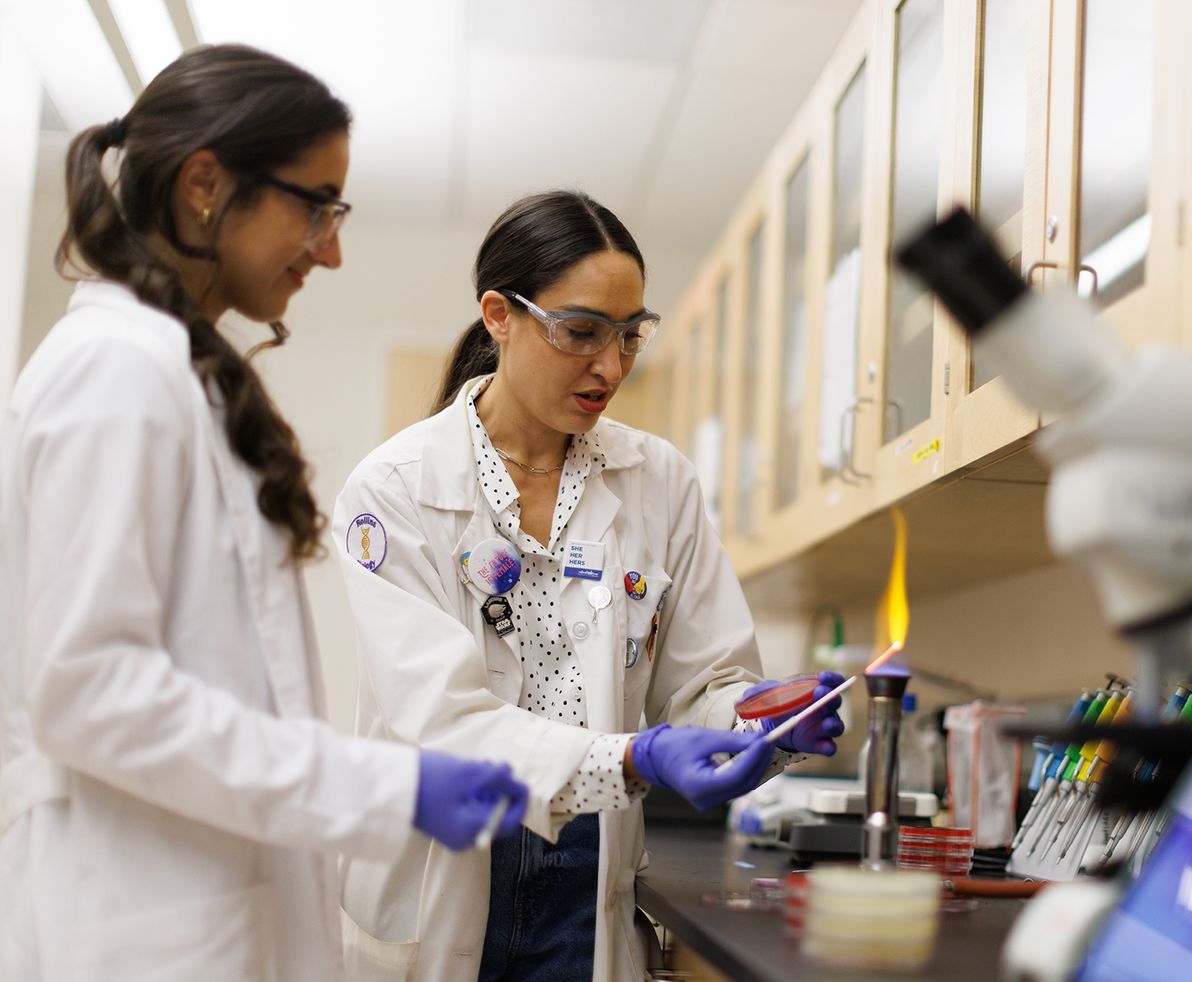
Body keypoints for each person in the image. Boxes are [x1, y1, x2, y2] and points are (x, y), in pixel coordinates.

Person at [0, 45, 529, 982]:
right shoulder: (114, 373)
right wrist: (380, 785)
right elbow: (90, 691)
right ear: (206, 184)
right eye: (316, 206)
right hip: (137, 927)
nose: (331, 248)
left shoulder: (170, 369)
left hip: (198, 912)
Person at [332, 190, 846, 982]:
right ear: (499, 315)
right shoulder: (395, 488)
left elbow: (706, 681)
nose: (611, 366)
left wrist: (762, 722)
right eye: (581, 332)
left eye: (631, 336)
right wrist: (638, 757)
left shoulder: (658, 480)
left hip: (588, 874)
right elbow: (444, 719)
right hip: (449, 866)